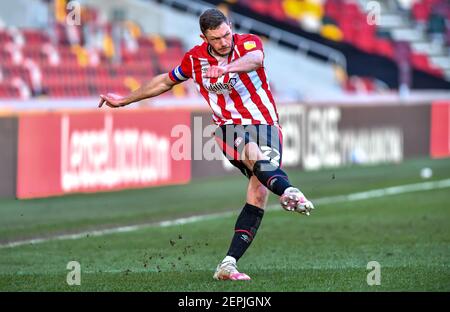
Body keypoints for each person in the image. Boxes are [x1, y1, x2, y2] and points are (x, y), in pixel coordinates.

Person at [98, 8, 314, 281]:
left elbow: (256, 60)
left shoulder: (248, 43)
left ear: (230, 27)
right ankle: (290, 191)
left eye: (226, 35)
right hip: (229, 127)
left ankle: (228, 264)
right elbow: (166, 80)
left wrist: (226, 67)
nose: (224, 42)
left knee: (259, 191)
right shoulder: (195, 59)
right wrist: (125, 100)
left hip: (267, 125)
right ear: (204, 37)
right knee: (253, 154)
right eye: (216, 39)